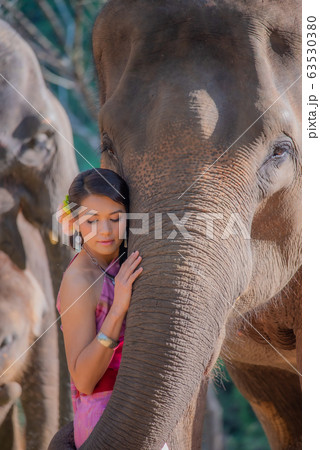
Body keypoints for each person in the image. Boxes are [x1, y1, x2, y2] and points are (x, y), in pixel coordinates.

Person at [56, 167, 144, 448]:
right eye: (91, 221)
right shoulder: (78, 281)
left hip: (142, 407)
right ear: (74, 222)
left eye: (115, 219)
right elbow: (83, 380)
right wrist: (117, 309)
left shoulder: (121, 261)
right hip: (104, 421)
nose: (105, 231)